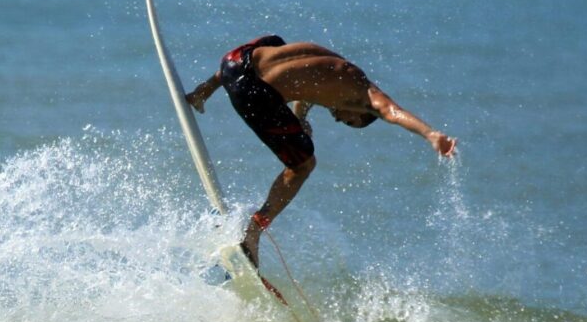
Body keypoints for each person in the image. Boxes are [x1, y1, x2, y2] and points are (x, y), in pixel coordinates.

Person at [186, 35, 456, 267]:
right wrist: (431, 134)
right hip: (250, 92)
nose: (338, 119)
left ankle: (204, 90)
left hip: (233, 61)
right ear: (362, 112)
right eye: (349, 120)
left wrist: (300, 118)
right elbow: (393, 112)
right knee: (304, 164)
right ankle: (253, 233)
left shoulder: (337, 66)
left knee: (277, 45)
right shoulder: (368, 96)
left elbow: (308, 86)